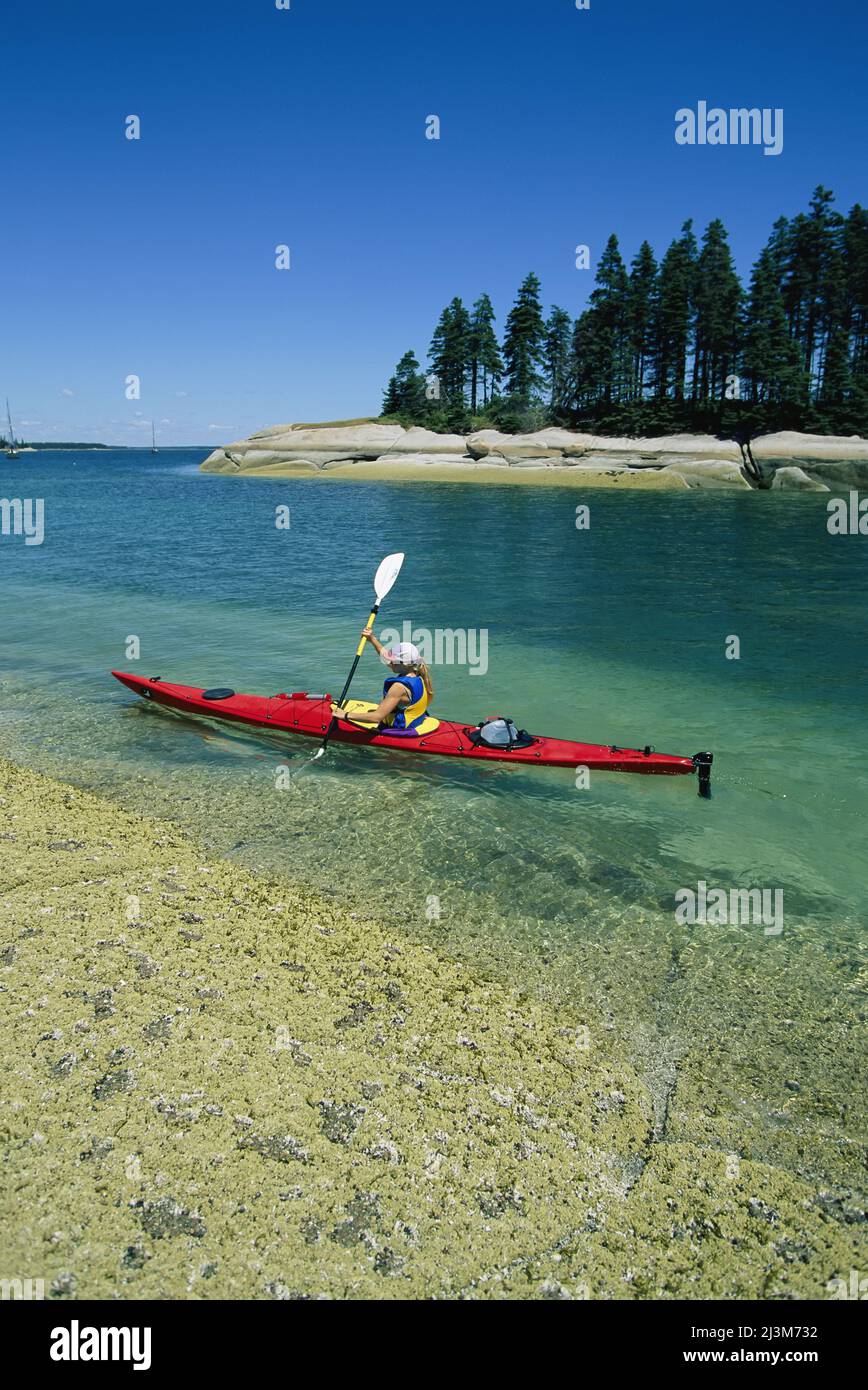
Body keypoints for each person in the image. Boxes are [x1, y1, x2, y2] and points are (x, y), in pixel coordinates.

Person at [332, 630, 434, 735]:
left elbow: (377, 717)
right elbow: (385, 657)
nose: (390, 661)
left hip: (401, 729)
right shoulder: (418, 674)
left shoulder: (399, 687)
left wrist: (344, 714)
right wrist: (372, 639)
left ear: (404, 663)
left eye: (393, 659)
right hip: (416, 722)